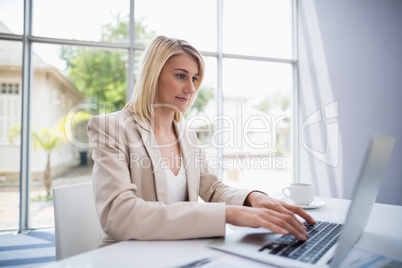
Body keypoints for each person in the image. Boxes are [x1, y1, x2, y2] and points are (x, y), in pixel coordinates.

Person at [88, 35, 316, 248]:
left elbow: (212, 189)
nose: (191, 89)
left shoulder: (186, 135)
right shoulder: (111, 128)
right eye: (180, 76)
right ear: (153, 75)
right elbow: (119, 214)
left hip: (178, 250)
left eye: (195, 78)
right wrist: (227, 214)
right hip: (127, 255)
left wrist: (251, 198)